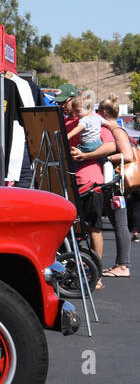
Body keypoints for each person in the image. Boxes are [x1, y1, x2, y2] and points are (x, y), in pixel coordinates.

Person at [67, 96, 108, 285]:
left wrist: (85, 155)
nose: (72, 114)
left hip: (91, 182)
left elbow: (112, 146)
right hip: (71, 182)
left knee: (94, 229)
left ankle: (96, 275)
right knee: (73, 230)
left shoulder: (93, 120)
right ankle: (78, 270)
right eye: (69, 111)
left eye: (75, 110)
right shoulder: (72, 122)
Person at [93, 96, 135, 277]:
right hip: (116, 183)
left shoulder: (116, 130)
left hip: (117, 184)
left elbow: (127, 154)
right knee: (119, 222)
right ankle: (120, 264)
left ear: (104, 113)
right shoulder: (116, 129)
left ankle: (123, 265)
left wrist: (106, 158)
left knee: (120, 223)